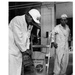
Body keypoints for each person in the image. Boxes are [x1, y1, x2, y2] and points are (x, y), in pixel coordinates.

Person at [9, 9, 41, 75]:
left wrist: (27, 48)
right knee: (12, 71)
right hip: (11, 50)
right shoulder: (17, 20)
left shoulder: (29, 24)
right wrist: (25, 51)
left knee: (18, 70)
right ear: (28, 16)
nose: (32, 22)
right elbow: (18, 38)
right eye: (32, 20)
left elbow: (27, 38)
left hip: (19, 51)